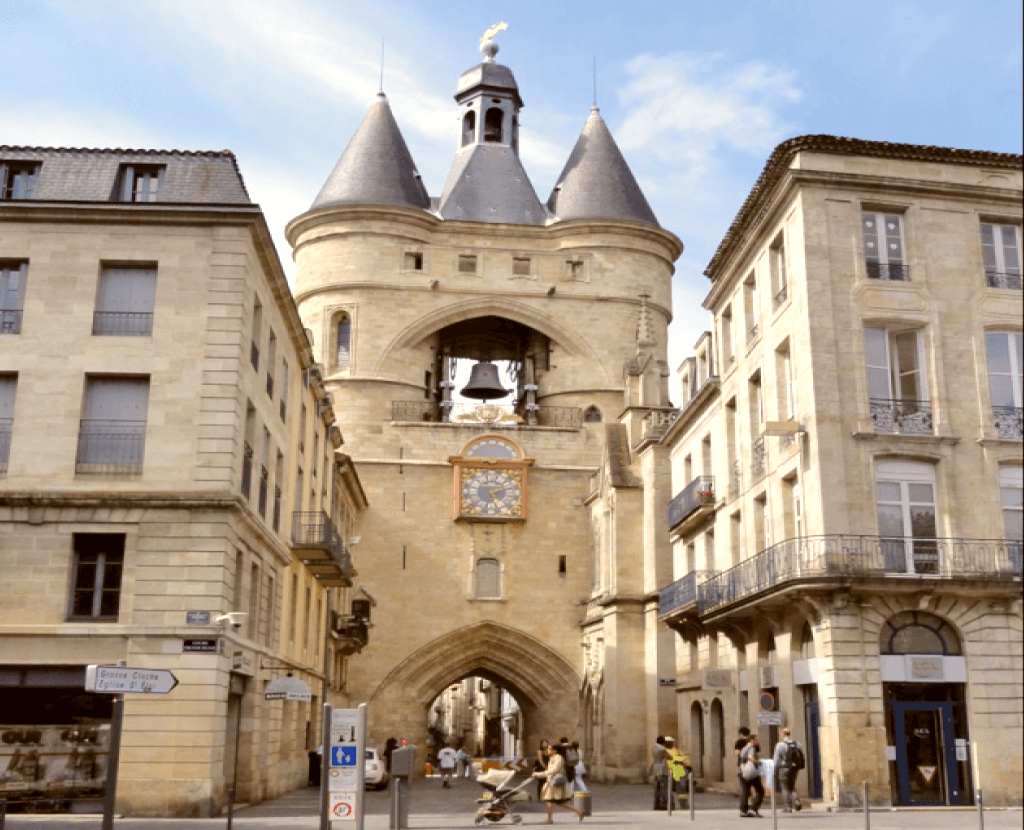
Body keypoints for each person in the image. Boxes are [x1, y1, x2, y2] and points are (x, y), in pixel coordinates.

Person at [532, 742, 584, 823]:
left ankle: (549, 820)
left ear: (554, 750)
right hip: (552, 782)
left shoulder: (558, 758)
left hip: (556, 783)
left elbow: (554, 770)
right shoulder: (553, 757)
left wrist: (539, 774)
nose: (547, 750)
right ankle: (579, 811)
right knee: (559, 802)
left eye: (549, 749)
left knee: (550, 800)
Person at [772, 727, 804, 812]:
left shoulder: (780, 745)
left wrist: (774, 770)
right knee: (792, 786)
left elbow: (776, 759)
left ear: (782, 734)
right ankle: (797, 801)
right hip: (794, 768)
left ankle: (788, 807)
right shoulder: (798, 744)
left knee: (785, 787)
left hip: (784, 768)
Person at [739, 734, 765, 818]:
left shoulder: (743, 749)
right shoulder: (751, 748)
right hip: (752, 773)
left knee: (745, 792)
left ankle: (743, 811)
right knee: (760, 791)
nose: (757, 741)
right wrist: (757, 762)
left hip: (743, 772)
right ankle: (754, 809)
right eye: (756, 739)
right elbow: (751, 757)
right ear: (751, 740)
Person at [665, 737, 691, 805]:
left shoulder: (677, 750)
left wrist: (687, 765)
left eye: (671, 742)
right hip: (669, 772)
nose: (670, 743)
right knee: (669, 790)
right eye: (668, 742)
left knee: (682, 788)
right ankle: (670, 804)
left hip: (680, 771)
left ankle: (684, 803)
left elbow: (685, 759)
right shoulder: (664, 751)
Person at [651, 735, 669, 810]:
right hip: (662, 769)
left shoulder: (653, 748)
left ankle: (656, 803)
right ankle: (663, 804)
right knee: (663, 787)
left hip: (655, 768)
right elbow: (669, 756)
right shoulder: (662, 749)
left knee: (657, 788)